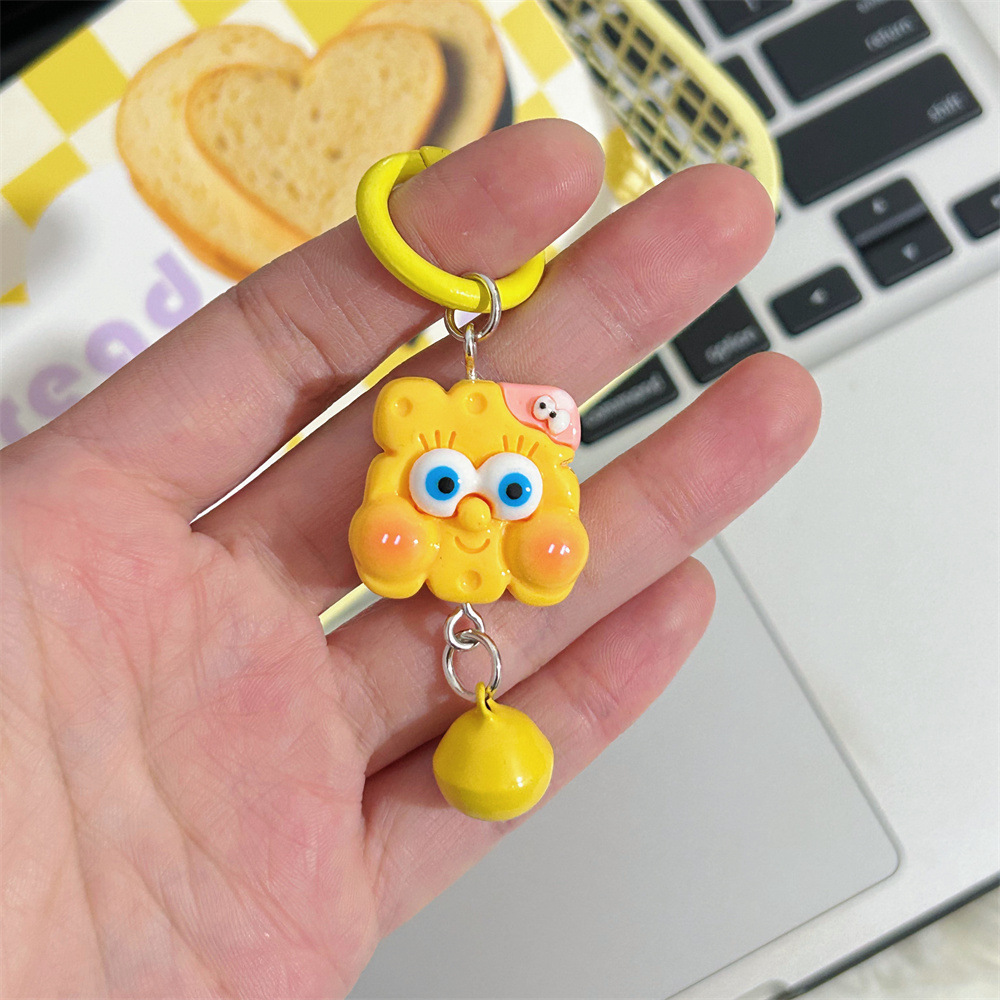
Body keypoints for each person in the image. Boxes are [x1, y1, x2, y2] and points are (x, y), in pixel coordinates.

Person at [1, 120, 820, 997]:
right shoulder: (413, 446)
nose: (471, 510)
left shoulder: (513, 476)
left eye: (507, 490)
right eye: (446, 486)